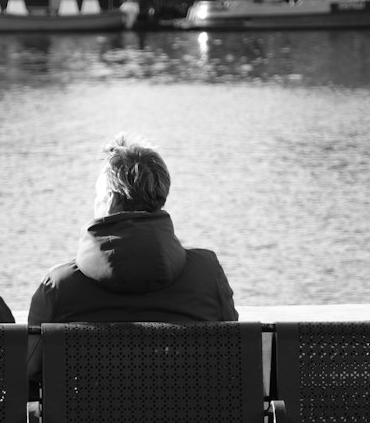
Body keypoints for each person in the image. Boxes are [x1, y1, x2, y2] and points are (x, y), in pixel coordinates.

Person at [27, 135, 237, 385]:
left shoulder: (59, 286)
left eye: (97, 195)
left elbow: (27, 373)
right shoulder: (207, 273)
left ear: (110, 200)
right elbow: (233, 354)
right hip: (190, 421)